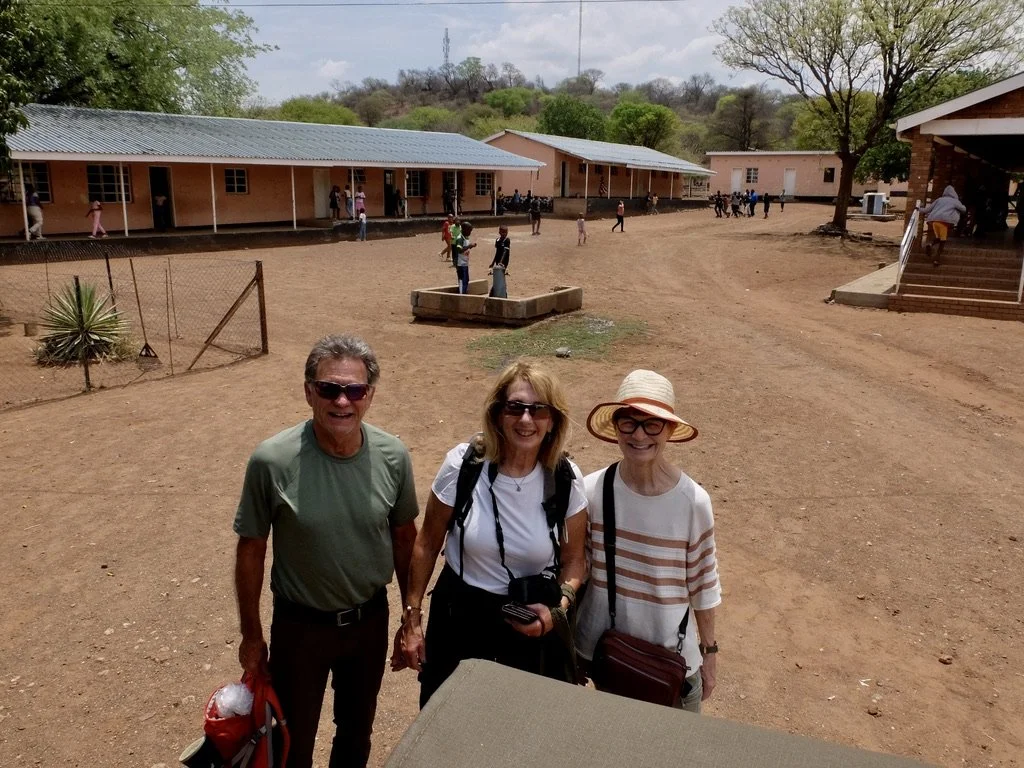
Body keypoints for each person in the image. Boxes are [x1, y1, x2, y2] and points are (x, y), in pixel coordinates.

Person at [233, 334, 419, 768]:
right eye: (329, 389)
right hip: (301, 628)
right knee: (292, 739)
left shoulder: (393, 456)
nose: (342, 401)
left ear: (369, 394)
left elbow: (404, 537)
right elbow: (251, 549)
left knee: (356, 735)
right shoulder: (272, 461)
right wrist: (252, 635)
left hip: (368, 623)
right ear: (308, 391)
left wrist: (411, 620)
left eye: (354, 390)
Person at [400, 361, 588, 707]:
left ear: (553, 420)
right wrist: (412, 621)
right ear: (499, 412)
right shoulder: (464, 465)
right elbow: (427, 544)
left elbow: (575, 561)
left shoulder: (564, 478)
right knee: (447, 721)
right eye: (515, 407)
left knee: (518, 730)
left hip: (531, 624)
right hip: (461, 617)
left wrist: (556, 611)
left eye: (538, 410)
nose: (526, 420)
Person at [576, 369, 721, 713]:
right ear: (616, 427)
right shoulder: (592, 491)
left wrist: (710, 655)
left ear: (669, 430)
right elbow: (578, 568)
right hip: (603, 655)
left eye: (652, 424)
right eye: (629, 422)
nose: (639, 434)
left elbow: (703, 585)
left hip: (669, 662)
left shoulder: (692, 502)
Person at [921, 185, 967, 267]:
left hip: (934, 222)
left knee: (938, 238)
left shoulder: (939, 200)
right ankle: (936, 260)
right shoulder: (954, 201)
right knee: (943, 242)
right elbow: (963, 209)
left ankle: (930, 245)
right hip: (943, 223)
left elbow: (927, 210)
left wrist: (918, 209)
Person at [452, 221, 475, 294]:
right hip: (460, 264)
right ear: (464, 229)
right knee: (462, 280)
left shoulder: (465, 237)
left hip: (465, 263)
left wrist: (471, 246)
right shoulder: (460, 239)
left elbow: (465, 248)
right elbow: (459, 250)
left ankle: (464, 293)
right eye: (469, 231)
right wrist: (469, 246)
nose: (470, 233)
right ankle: (462, 295)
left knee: (466, 280)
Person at [489, 225, 511, 298]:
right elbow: (497, 252)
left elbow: (505, 252)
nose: (505, 234)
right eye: (503, 232)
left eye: (506, 232)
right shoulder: (497, 240)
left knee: (501, 276)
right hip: (498, 261)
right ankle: (497, 292)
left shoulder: (507, 240)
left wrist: (501, 262)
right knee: (497, 276)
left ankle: (501, 293)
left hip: (504, 261)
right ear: (499, 232)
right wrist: (493, 263)